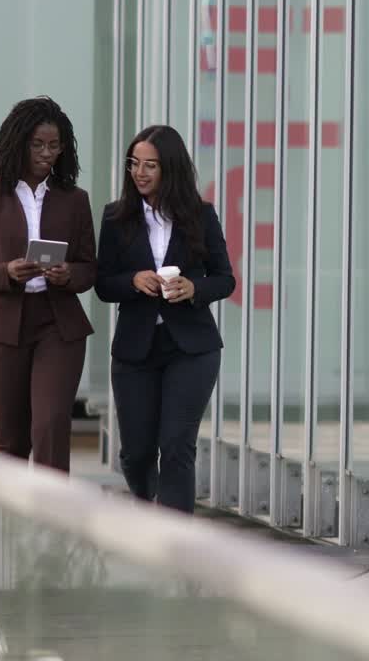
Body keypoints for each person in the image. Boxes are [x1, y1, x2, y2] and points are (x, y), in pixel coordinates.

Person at [95, 125, 234, 512]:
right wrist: (132, 281)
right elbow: (103, 283)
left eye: (150, 165)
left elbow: (225, 279)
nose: (139, 173)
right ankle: (146, 518)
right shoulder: (115, 217)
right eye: (134, 163)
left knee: (176, 446)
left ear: (169, 168)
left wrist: (193, 288)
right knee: (136, 454)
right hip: (135, 351)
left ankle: (175, 539)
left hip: (191, 349)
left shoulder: (201, 215)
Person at [0, 96, 96, 472]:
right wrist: (6, 272)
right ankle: (9, 510)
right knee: (13, 438)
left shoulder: (75, 200)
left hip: (59, 325)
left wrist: (68, 275)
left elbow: (89, 267)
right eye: (37, 144)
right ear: (18, 142)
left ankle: (54, 509)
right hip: (2, 326)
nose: (46, 153)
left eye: (54, 145)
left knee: (51, 426)